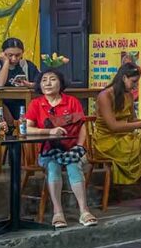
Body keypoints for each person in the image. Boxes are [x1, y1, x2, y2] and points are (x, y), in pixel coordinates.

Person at [25, 69, 97, 227]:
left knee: (73, 166)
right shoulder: (36, 104)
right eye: (44, 80)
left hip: (72, 150)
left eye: (52, 79)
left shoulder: (72, 102)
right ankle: (58, 213)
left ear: (61, 83)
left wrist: (79, 146)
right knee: (53, 167)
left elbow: (82, 126)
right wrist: (48, 131)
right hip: (47, 151)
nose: (48, 83)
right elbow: (27, 129)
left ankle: (84, 211)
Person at [92, 62, 141, 197]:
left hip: (125, 137)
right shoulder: (105, 96)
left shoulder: (129, 96)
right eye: (133, 81)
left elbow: (132, 120)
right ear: (123, 78)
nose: (135, 85)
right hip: (107, 141)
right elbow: (113, 126)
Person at [0, 37, 40, 129]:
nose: (14, 59)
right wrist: (6, 62)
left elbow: (40, 84)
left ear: (22, 53)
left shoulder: (28, 65)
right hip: (0, 105)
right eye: (10, 55)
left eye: (18, 55)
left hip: (22, 106)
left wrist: (29, 85)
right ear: (3, 53)